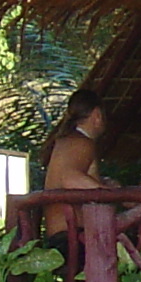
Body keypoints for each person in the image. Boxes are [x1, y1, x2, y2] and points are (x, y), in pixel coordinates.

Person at [39, 90, 112, 259]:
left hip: (61, 235)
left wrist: (104, 183)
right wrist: (110, 194)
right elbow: (69, 177)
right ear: (97, 115)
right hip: (72, 236)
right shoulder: (82, 142)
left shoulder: (68, 141)